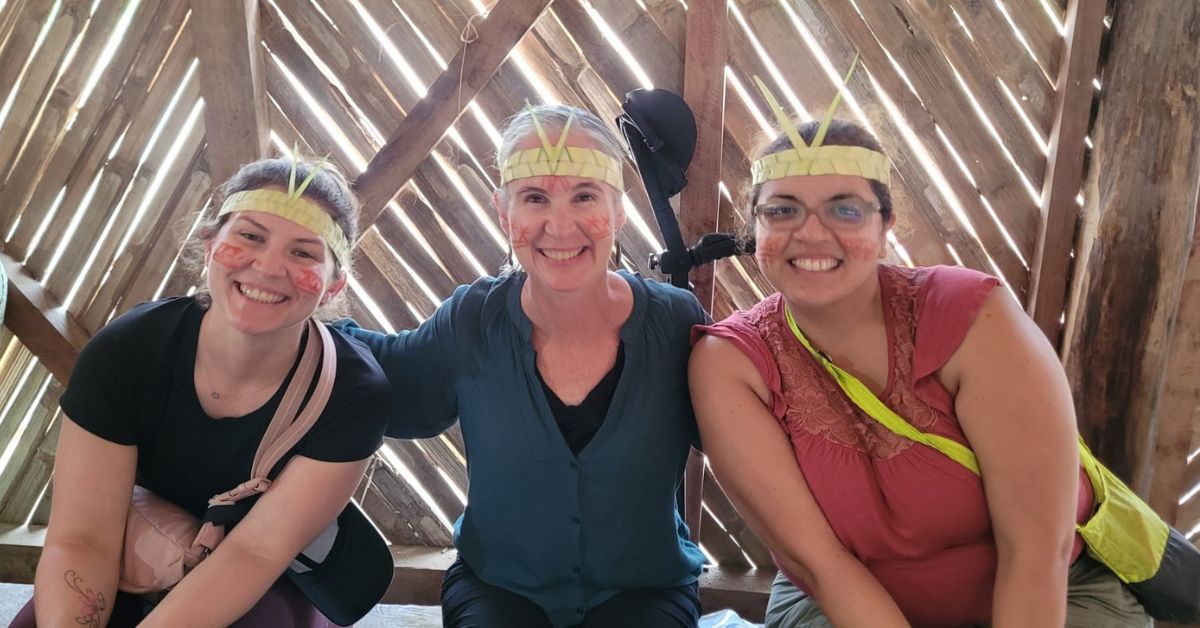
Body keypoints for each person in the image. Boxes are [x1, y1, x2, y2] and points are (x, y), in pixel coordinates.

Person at [689, 111, 1152, 627]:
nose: (811, 233)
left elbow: (1037, 548)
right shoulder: (731, 362)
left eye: (845, 210)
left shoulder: (972, 317)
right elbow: (820, 566)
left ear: (885, 226)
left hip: (1052, 593)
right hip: (838, 602)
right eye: (782, 211)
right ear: (755, 229)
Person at [337, 104, 706, 628]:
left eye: (584, 196)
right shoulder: (473, 319)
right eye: (535, 198)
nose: (559, 225)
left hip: (646, 588)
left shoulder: (674, 324)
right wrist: (286, 317)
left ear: (619, 210)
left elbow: (752, 417)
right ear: (503, 211)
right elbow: (383, 377)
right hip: (499, 588)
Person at [18, 157, 392, 626]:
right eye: (250, 236)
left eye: (303, 253)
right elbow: (83, 539)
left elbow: (256, 553)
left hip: (263, 575)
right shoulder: (127, 350)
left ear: (335, 282)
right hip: (136, 545)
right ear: (209, 242)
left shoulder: (353, 393)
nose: (269, 266)